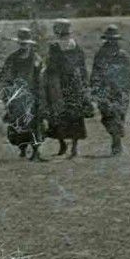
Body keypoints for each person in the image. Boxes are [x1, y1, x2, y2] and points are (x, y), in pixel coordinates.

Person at [44, 18, 92, 157]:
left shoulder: (54, 46)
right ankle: (74, 147)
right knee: (75, 115)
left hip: (58, 83)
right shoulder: (75, 45)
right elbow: (82, 66)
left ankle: (62, 144)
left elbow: (51, 66)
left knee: (57, 113)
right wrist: (84, 82)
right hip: (74, 83)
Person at [0, 27, 45, 161]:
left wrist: (40, 94)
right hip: (17, 96)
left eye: (26, 43)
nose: (24, 46)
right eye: (22, 43)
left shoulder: (35, 58)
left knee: (35, 123)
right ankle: (22, 149)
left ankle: (36, 152)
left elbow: (40, 77)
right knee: (18, 124)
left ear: (30, 44)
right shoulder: (12, 58)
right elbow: (5, 77)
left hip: (32, 95)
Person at [90, 24, 130, 155]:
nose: (112, 42)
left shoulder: (123, 55)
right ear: (106, 39)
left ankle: (116, 141)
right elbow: (95, 72)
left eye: (114, 39)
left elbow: (128, 74)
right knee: (107, 117)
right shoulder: (100, 54)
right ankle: (116, 138)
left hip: (121, 90)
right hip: (104, 91)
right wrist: (94, 89)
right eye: (110, 39)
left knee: (119, 115)